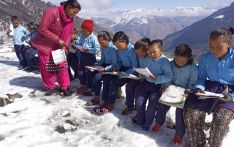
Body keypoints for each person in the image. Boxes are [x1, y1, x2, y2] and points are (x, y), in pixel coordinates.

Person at [184, 28, 234, 147]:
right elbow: (201, 77)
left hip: (230, 92)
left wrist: (231, 96)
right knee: (191, 111)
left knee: (222, 118)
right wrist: (199, 87)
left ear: (229, 44)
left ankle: (214, 143)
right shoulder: (206, 58)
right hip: (209, 89)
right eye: (211, 47)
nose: (214, 50)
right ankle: (198, 142)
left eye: (219, 47)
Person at [32, 0, 81, 96]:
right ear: (68, 7)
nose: (74, 15)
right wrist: (59, 40)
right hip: (45, 44)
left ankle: (65, 87)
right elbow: (43, 29)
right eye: (74, 12)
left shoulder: (70, 19)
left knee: (62, 65)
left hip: (59, 46)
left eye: (76, 13)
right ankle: (50, 86)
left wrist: (65, 44)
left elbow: (69, 33)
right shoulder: (52, 12)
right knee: (47, 67)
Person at [153, 44, 198, 145]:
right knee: (162, 104)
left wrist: (188, 91)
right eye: (177, 60)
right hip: (171, 89)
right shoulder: (171, 64)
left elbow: (192, 83)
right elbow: (167, 77)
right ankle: (159, 122)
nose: (179, 63)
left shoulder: (193, 68)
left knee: (180, 110)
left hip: (184, 92)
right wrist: (166, 86)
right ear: (174, 56)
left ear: (189, 58)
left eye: (182, 61)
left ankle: (179, 133)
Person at [93, 31, 138, 115]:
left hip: (131, 73)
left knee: (113, 83)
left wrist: (124, 73)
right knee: (106, 79)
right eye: (116, 46)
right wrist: (118, 68)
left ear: (124, 41)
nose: (118, 48)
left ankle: (111, 104)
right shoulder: (120, 49)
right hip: (122, 70)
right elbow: (120, 61)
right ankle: (105, 101)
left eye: (119, 45)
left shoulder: (132, 50)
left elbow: (134, 67)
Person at [134, 39, 173, 131]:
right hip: (146, 83)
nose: (151, 54)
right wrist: (142, 74)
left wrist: (157, 79)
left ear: (161, 50)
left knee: (152, 106)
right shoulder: (148, 58)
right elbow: (145, 68)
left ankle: (148, 123)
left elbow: (169, 76)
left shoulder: (164, 61)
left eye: (154, 52)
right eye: (150, 51)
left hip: (157, 87)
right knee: (139, 102)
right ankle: (141, 119)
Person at [86, 31, 118, 105]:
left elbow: (114, 64)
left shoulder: (113, 48)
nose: (100, 44)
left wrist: (104, 69)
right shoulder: (104, 47)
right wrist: (96, 65)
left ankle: (97, 97)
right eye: (99, 42)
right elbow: (102, 59)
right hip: (104, 65)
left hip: (111, 68)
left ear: (107, 40)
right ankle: (93, 90)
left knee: (97, 77)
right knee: (91, 72)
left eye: (101, 42)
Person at [122, 37, 151, 115]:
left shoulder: (151, 58)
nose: (138, 54)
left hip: (150, 80)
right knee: (129, 86)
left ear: (147, 50)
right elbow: (136, 67)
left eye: (140, 53)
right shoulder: (139, 56)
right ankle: (130, 106)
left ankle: (140, 112)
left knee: (138, 92)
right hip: (140, 76)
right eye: (137, 52)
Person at [75, 19, 100, 95]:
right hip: (82, 56)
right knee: (81, 71)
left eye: (85, 31)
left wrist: (88, 50)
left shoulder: (93, 38)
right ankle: (83, 84)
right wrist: (76, 45)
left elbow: (97, 49)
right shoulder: (82, 36)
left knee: (89, 72)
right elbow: (78, 42)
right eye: (82, 30)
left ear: (90, 31)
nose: (83, 32)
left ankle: (90, 87)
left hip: (90, 57)